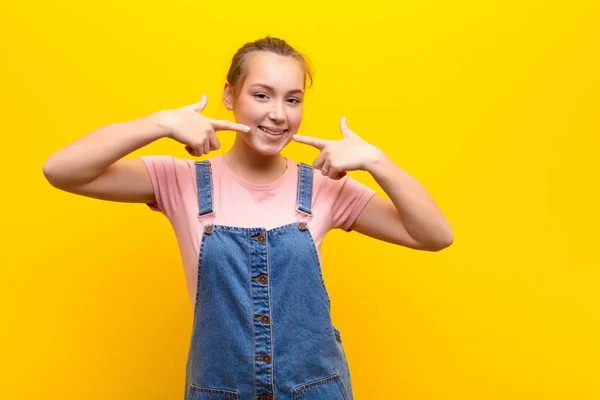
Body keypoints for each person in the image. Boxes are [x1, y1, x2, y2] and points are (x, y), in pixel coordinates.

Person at [43, 36, 453, 400]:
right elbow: (62, 170)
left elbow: (435, 235)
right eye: (261, 95)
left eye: (292, 100)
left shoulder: (325, 186)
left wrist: (377, 161)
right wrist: (161, 123)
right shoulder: (179, 179)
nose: (278, 114)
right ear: (229, 94)